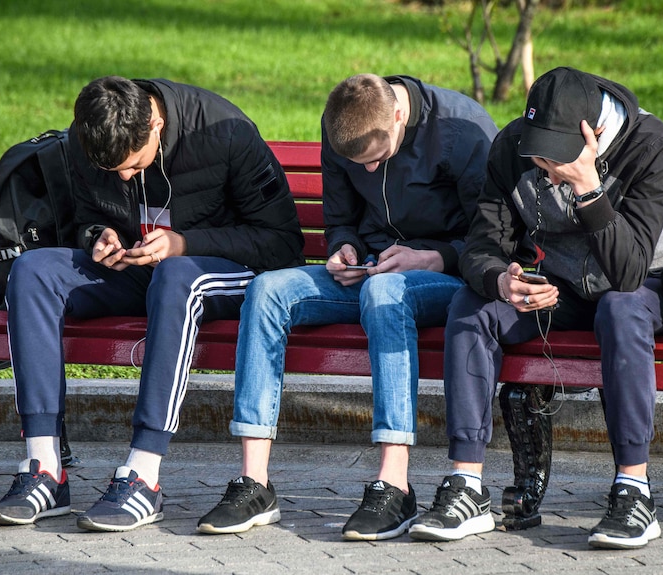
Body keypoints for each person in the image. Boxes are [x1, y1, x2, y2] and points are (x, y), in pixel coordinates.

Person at [0, 76, 305, 531]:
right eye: (115, 171)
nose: (126, 178)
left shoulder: (225, 130)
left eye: (133, 166)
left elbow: (283, 246)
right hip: (136, 269)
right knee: (33, 271)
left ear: (156, 123)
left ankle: (143, 475)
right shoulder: (88, 135)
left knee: (176, 277)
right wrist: (100, 237)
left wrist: (184, 244)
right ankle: (44, 467)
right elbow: (86, 218)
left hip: (221, 274)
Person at [196, 73, 498, 540]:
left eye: (378, 159)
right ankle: (254, 484)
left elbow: (492, 239)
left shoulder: (462, 129)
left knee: (383, 294)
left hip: (448, 277)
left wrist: (435, 256)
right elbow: (340, 219)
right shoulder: (340, 124)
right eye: (362, 164)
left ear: (398, 116)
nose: (371, 171)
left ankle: (394, 485)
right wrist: (344, 248)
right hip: (372, 271)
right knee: (267, 291)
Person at [425, 66, 663, 547]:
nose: (541, 165)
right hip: (564, 290)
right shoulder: (513, 147)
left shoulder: (651, 143)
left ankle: (633, 490)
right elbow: (481, 247)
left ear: (591, 135)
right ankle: (467, 484)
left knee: (619, 308)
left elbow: (628, 272)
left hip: (651, 281)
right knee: (473, 305)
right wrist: (503, 280)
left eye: (552, 156)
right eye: (535, 151)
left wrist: (586, 187)